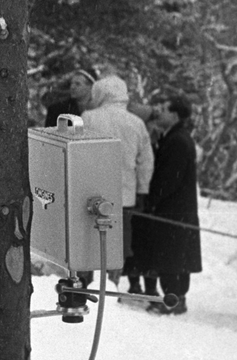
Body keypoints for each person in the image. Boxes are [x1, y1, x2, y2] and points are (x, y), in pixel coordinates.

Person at [80, 75, 154, 288]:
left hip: (90, 193)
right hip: (124, 196)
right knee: (117, 244)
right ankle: (111, 284)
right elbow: (145, 162)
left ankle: (84, 283)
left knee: (88, 239)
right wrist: (142, 190)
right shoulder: (137, 123)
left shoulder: (88, 118)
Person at [139, 94, 202, 315]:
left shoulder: (178, 140)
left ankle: (174, 300)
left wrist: (152, 200)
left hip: (174, 211)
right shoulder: (173, 137)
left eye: (164, 109)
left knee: (173, 258)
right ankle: (174, 298)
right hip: (176, 211)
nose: (159, 112)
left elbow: (168, 179)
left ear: (174, 115)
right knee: (174, 258)